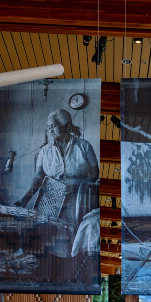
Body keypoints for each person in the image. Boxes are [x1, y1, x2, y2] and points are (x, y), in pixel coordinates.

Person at [14, 109, 99, 262]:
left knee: (73, 237)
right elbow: (38, 176)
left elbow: (94, 175)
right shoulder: (44, 151)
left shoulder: (84, 146)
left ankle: (74, 267)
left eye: (53, 126)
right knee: (48, 235)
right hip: (50, 200)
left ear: (66, 126)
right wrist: (24, 199)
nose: (50, 130)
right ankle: (50, 267)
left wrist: (75, 186)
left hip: (78, 199)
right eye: (48, 127)